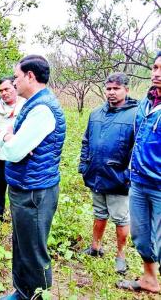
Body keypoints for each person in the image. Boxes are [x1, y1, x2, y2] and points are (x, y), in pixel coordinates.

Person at [0, 55, 66, 299]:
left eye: (16, 77)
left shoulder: (43, 109)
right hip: (25, 186)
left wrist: (7, 137)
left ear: (30, 76)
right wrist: (13, 138)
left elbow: (14, 151)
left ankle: (38, 296)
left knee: (34, 250)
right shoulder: (34, 103)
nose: (14, 83)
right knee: (22, 245)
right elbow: (18, 143)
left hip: (35, 191)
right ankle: (23, 291)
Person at [79, 72, 138, 274]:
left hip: (118, 177)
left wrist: (128, 175)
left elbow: (138, 149)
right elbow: (86, 141)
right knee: (99, 212)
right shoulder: (96, 113)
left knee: (120, 218)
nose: (111, 92)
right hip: (96, 173)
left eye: (116, 88)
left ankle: (121, 256)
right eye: (109, 88)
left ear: (126, 90)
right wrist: (83, 166)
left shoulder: (136, 115)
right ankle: (95, 247)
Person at [116, 52, 161, 293]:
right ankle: (149, 279)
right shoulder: (146, 102)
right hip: (140, 181)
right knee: (141, 234)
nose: (157, 73)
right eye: (154, 67)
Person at [0, 77, 25, 219]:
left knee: (18, 191)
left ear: (15, 88)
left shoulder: (25, 106)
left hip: (17, 157)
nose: (3, 93)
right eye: (1, 90)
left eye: (7, 89)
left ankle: (19, 220)